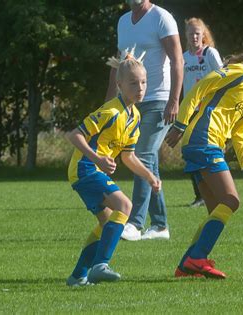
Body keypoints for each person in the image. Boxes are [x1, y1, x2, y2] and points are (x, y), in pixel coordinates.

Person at [165, 26, 243, 279]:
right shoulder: (238, 71)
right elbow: (198, 90)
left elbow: (240, 132)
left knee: (216, 207)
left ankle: (185, 266)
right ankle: (197, 259)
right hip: (202, 139)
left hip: (209, 143)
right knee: (231, 200)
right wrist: (181, 123)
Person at [66, 49, 161, 286]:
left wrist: (149, 176)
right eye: (133, 83)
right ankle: (101, 266)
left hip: (92, 170)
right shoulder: (110, 111)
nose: (140, 88)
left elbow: (128, 157)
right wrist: (97, 158)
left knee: (107, 223)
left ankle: (78, 276)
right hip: (85, 168)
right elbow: (75, 135)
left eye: (143, 82)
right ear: (119, 84)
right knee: (125, 205)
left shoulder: (135, 116)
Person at [105, 0, 184, 241]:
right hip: (131, 104)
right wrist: (108, 105)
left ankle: (135, 223)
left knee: (142, 154)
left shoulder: (161, 17)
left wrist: (174, 101)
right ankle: (160, 226)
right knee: (147, 160)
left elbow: (178, 60)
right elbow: (119, 67)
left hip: (159, 100)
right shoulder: (123, 22)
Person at [182, 17, 223, 207]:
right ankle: (200, 195)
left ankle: (217, 190)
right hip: (190, 110)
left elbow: (223, 78)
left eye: (197, 33)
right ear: (186, 35)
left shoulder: (210, 53)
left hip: (208, 109)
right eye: (191, 34)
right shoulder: (183, 57)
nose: (194, 37)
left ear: (203, 34)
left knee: (210, 150)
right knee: (191, 152)